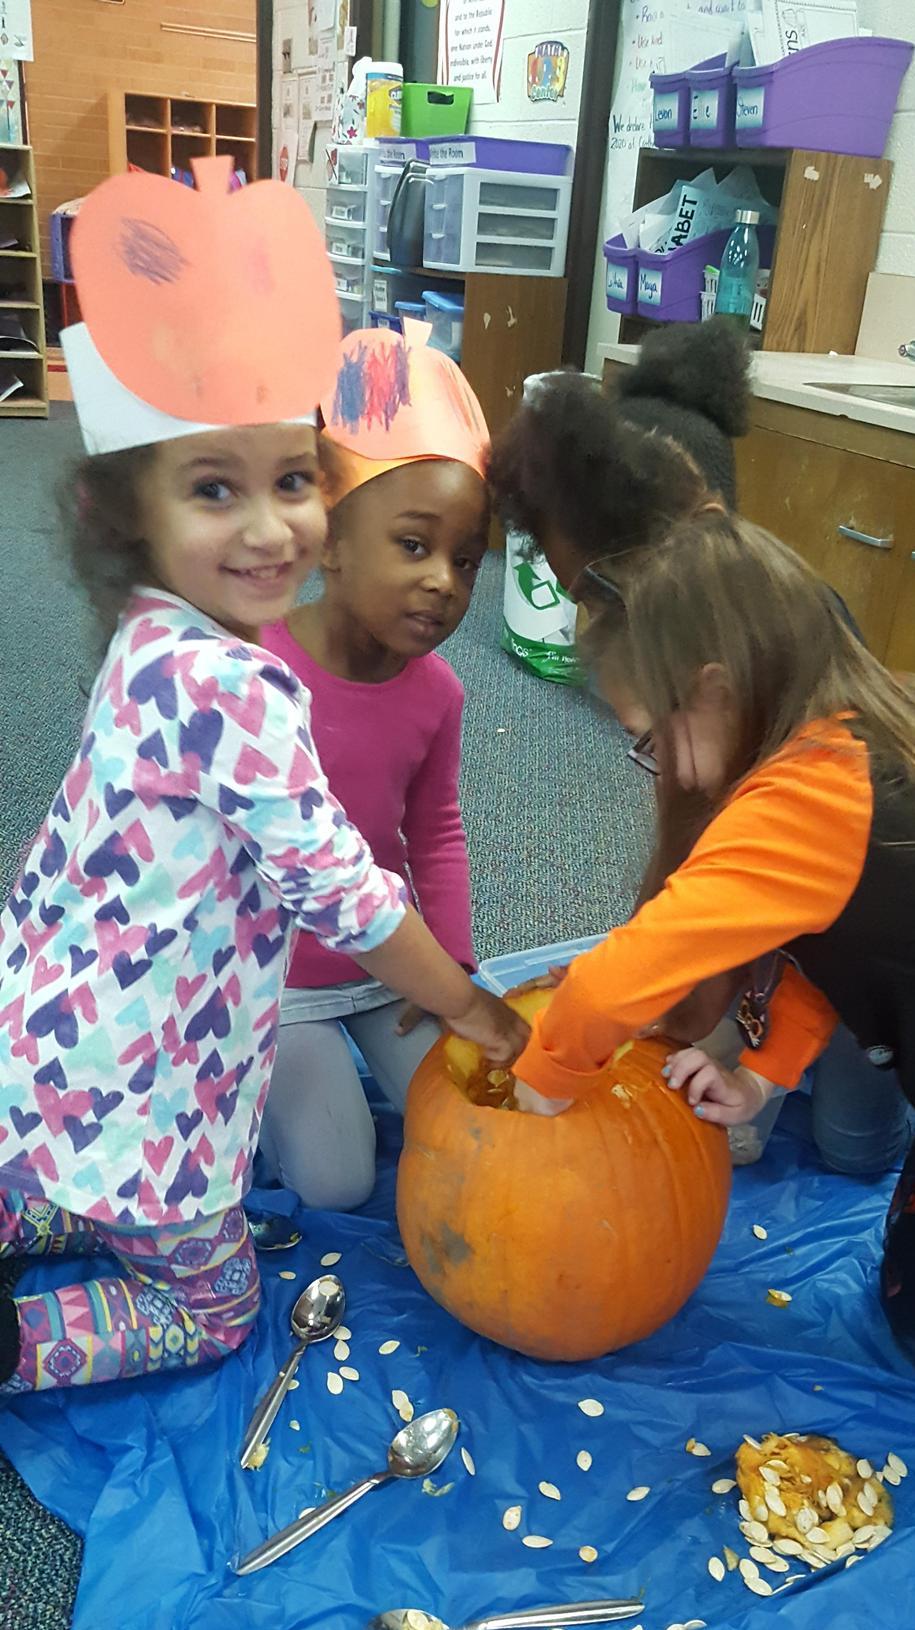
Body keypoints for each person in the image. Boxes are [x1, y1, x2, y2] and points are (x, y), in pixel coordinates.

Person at [0, 164, 523, 1396]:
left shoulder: (151, 634)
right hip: (150, 1074)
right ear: (127, 516)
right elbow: (345, 893)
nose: (268, 529)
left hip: (61, 1044)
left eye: (291, 481)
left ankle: (51, 1205)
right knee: (218, 1305)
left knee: (52, 1184)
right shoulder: (233, 685)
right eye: (214, 489)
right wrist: (472, 1006)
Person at [510, 508, 915, 1409]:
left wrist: (541, 1081)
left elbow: (626, 972)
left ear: (714, 691)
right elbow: (837, 944)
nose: (671, 773)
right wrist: (767, 1076)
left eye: (651, 740)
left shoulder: (806, 799)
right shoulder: (868, 732)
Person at [488, 321, 915, 1179]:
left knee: (867, 1158)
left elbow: (717, 925)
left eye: (602, 592)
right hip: (818, 948)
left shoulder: (809, 749)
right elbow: (764, 912)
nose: (594, 613)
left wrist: (553, 1070)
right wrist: (754, 1067)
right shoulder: (742, 706)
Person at [257, 331, 490, 1209]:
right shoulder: (255, 677)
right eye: (414, 546)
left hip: (388, 962)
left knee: (478, 1120)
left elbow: (435, 834)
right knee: (338, 1184)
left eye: (466, 561)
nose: (444, 583)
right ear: (331, 540)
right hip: (274, 982)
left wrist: (454, 968)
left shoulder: (440, 694)